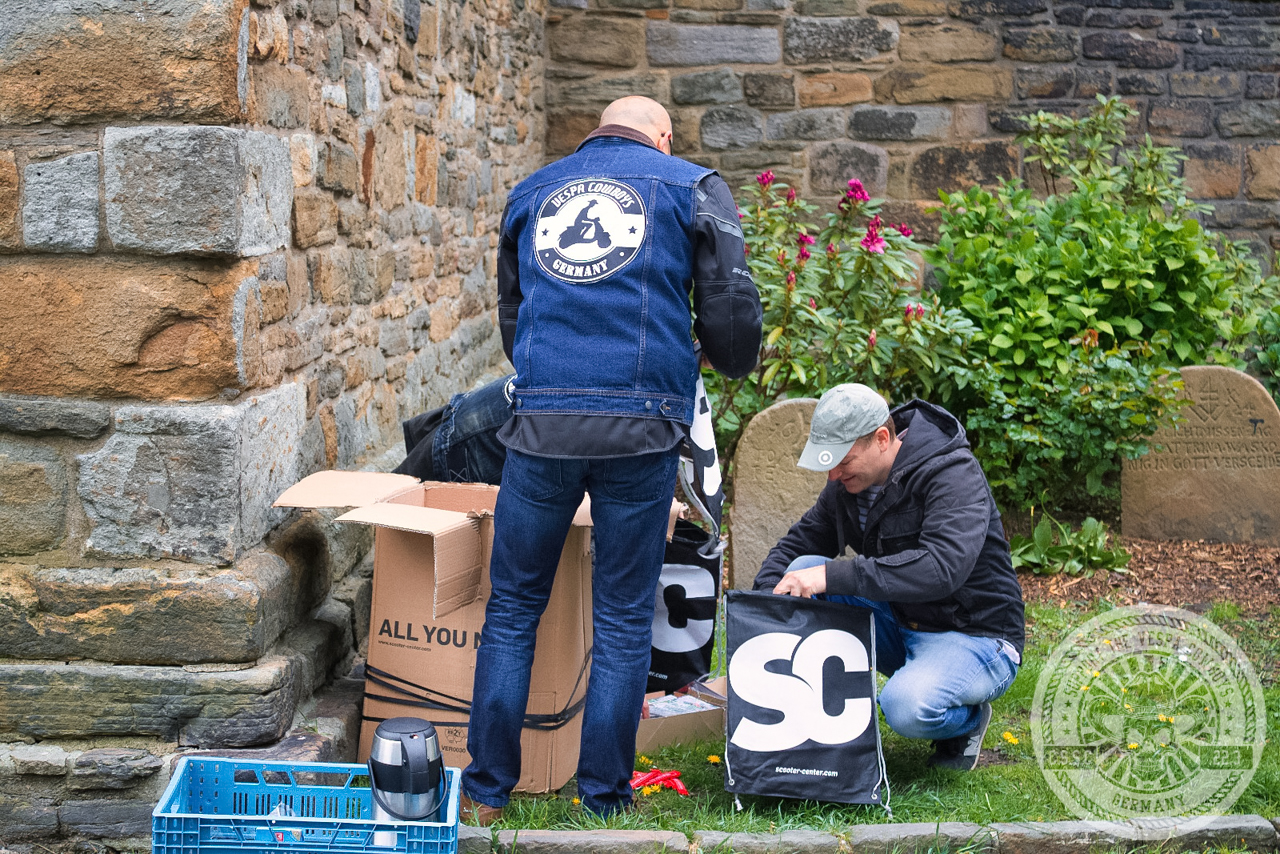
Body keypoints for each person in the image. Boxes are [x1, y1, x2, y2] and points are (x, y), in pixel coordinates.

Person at [461, 95, 763, 822]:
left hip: (543, 425)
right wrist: (722, 358)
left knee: (513, 608)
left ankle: (485, 793)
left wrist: (550, 386)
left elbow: (512, 314)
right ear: (664, 138)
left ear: (596, 132)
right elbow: (729, 306)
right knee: (624, 617)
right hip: (642, 428)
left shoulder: (531, 192)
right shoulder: (692, 186)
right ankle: (603, 800)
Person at [754, 383, 1025, 772]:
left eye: (843, 461)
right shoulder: (847, 485)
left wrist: (830, 575)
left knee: (905, 707)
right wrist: (765, 600)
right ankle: (813, 715)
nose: (833, 474)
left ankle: (967, 721)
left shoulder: (952, 473)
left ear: (882, 438)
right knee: (799, 570)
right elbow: (800, 542)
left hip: (975, 634)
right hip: (903, 620)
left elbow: (941, 568)